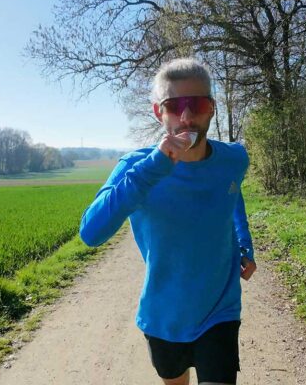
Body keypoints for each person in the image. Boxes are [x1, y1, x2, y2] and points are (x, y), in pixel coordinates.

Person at [79, 57, 256, 385]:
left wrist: (244, 243)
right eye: (174, 105)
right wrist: (154, 167)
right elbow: (91, 232)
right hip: (164, 316)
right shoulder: (136, 167)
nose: (187, 116)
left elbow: (232, 193)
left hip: (221, 309)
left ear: (211, 109)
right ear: (158, 112)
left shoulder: (234, 158)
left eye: (197, 103)